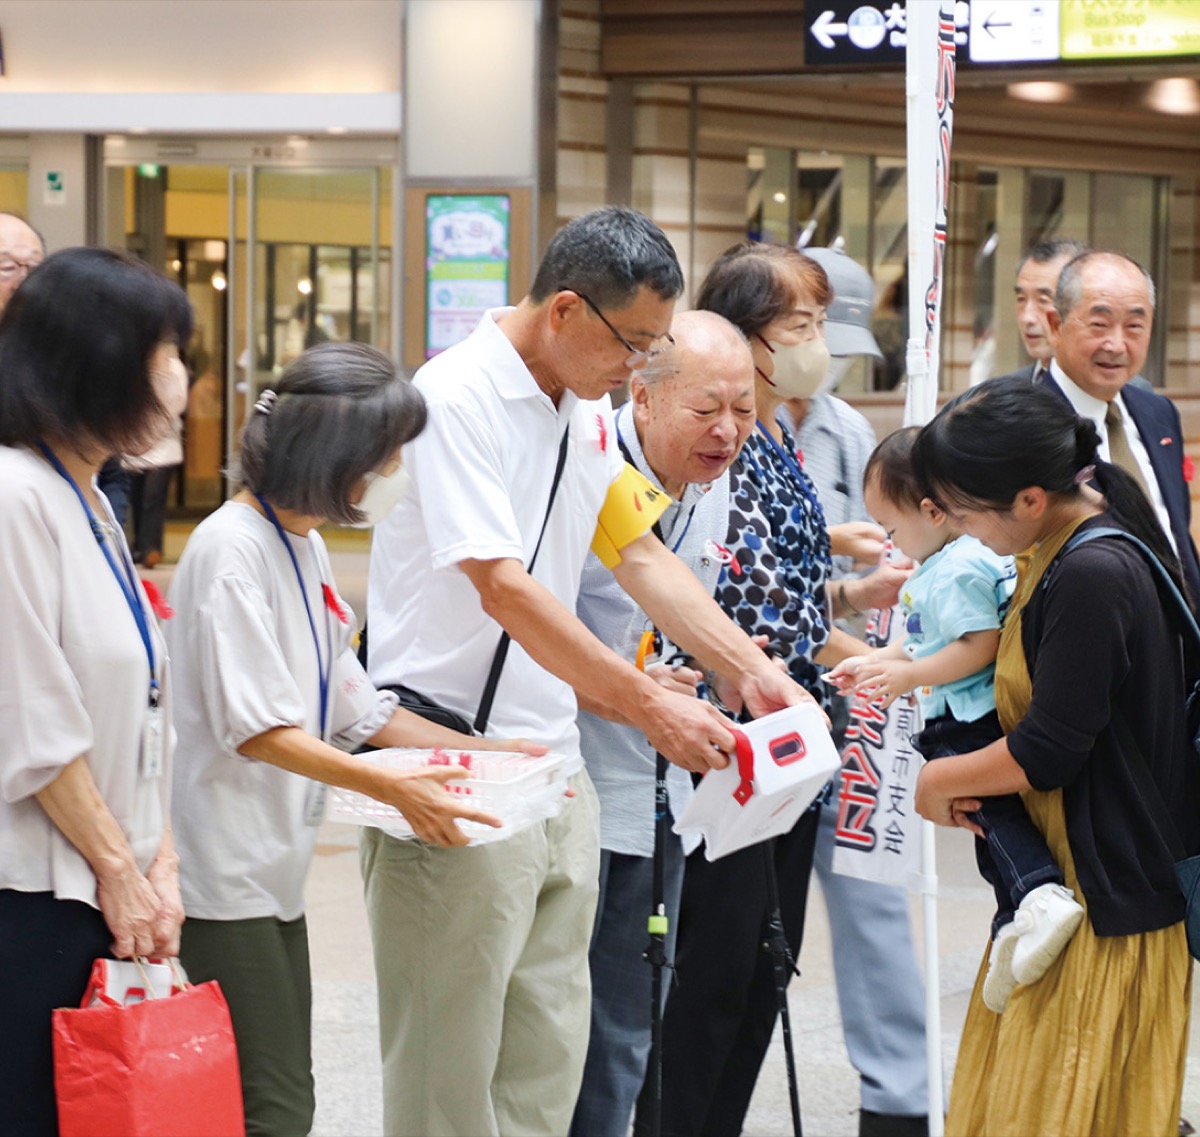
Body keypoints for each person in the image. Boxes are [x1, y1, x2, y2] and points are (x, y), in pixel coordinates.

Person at [362, 207, 814, 1137]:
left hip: (553, 770)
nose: (640, 370)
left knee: (546, 1065)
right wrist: (648, 703)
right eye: (636, 345)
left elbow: (637, 554)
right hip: (451, 757)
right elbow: (505, 589)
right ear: (567, 310)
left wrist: (749, 668)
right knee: (448, 1076)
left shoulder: (584, 411)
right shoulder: (455, 399)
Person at [166, 342, 541, 1137]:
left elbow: (358, 708)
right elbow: (260, 730)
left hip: (270, 869)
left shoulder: (299, 545)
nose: (397, 470)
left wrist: (490, 754)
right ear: (335, 456)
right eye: (387, 454)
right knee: (275, 1107)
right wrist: (393, 786)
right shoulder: (231, 550)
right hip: (221, 873)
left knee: (276, 1094)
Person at [640, 242, 903, 1137]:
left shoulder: (777, 431)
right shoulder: (716, 443)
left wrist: (849, 625)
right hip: (727, 750)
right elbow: (729, 598)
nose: (817, 343)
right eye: (803, 324)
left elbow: (784, 599)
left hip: (791, 743)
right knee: (716, 973)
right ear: (743, 331)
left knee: (762, 967)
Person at [911, 377, 1200, 1135]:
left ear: (1031, 498)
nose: (967, 530)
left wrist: (938, 778)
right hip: (1073, 893)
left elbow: (1050, 749)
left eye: (969, 513)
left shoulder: (1091, 572)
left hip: (1104, 903)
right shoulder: (1065, 541)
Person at [0, 246, 190, 1136]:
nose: (181, 379)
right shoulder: (15, 496)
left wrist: (159, 859)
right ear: (98, 362)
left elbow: (139, 705)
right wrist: (121, 868)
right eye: (166, 355)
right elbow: (32, 721)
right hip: (37, 896)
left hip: (104, 889)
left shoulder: (92, 499)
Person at [569, 310, 757, 1137]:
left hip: (659, 787)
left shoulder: (708, 486)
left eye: (745, 410)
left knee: (636, 1012)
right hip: (576, 785)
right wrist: (628, 681)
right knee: (575, 1022)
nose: (728, 431)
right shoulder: (585, 465)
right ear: (641, 398)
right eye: (707, 408)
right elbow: (522, 621)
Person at [830, 427, 1085, 1015]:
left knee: (991, 816)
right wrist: (873, 664)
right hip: (956, 712)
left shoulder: (959, 566)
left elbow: (977, 645)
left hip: (969, 718)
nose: (891, 544)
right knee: (984, 828)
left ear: (931, 510)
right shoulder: (943, 563)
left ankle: (1039, 895)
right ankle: (1011, 921)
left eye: (892, 530)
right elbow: (921, 645)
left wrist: (907, 677)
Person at [783, 244, 931, 1137]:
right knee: (741, 930)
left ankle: (899, 1100)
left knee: (876, 904)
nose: (821, 356)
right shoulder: (727, 426)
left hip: (850, 713)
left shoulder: (842, 429)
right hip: (753, 722)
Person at [1037, 250, 1200, 604]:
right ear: (1054, 324)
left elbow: (1176, 532)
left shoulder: (1159, 413)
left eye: (1134, 326)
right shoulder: (1025, 423)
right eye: (1099, 324)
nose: (1116, 344)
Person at [997, 238, 1089, 383]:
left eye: (1043, 300)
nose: (1027, 318)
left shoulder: (1126, 397)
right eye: (1021, 299)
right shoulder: (1002, 394)